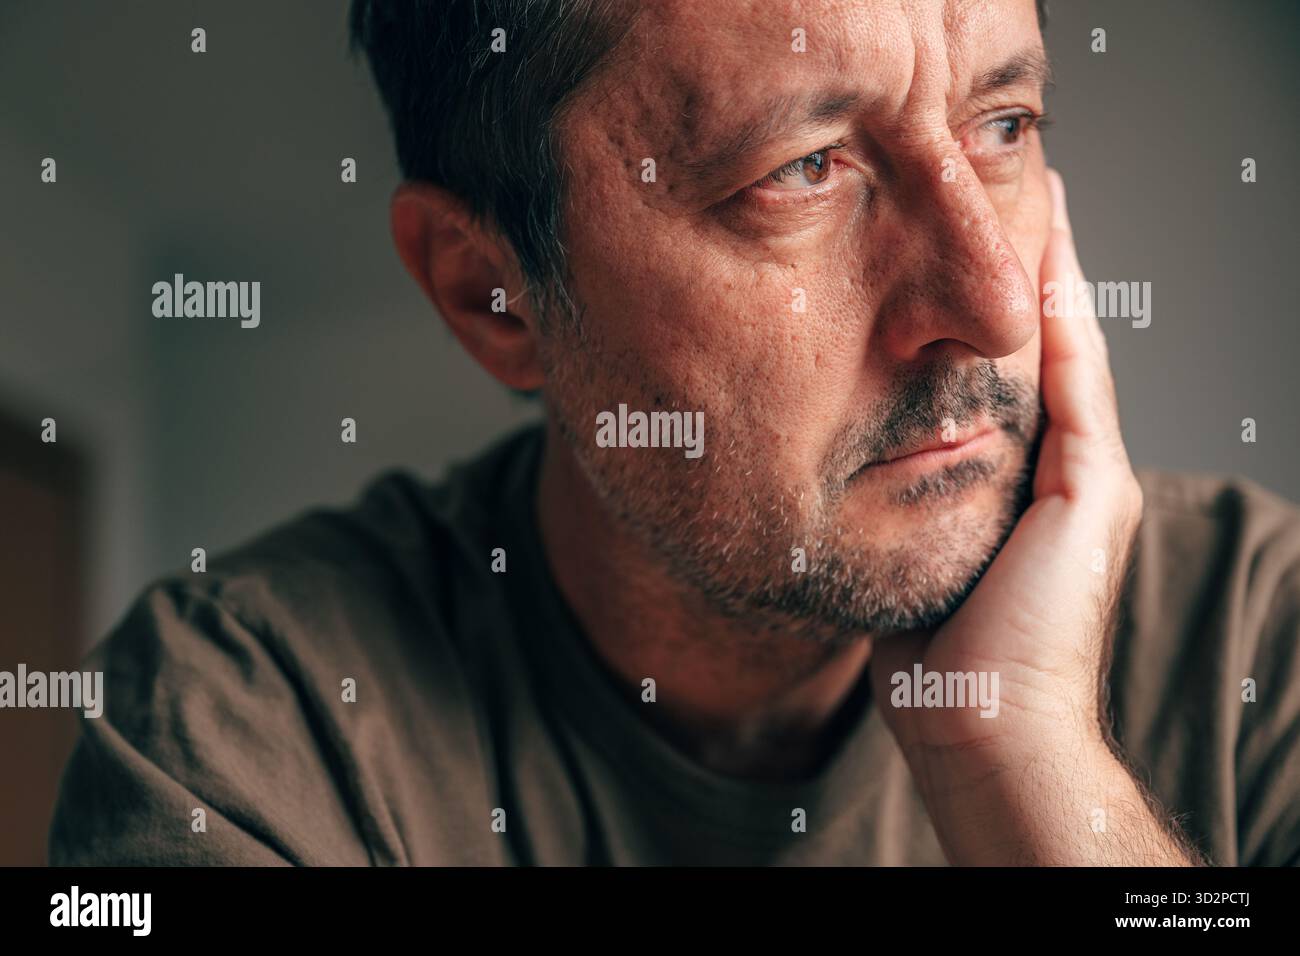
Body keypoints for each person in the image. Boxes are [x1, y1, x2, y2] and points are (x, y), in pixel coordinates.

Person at [49, 0, 1300, 866]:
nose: (991, 302)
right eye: (803, 168)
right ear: (492, 292)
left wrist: (1019, 754)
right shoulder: (245, 730)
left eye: (1004, 125)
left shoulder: (1255, 628)